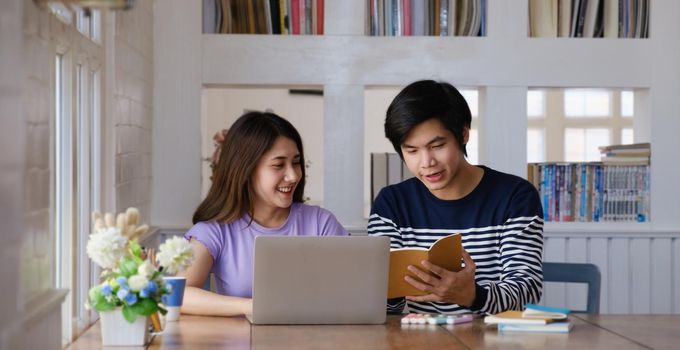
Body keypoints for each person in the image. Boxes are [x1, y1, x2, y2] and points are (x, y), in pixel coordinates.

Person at [368, 80, 544, 315]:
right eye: (412, 151)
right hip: (419, 339)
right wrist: (385, 292)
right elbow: (386, 304)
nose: (426, 162)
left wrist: (473, 296)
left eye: (437, 145)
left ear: (463, 134)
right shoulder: (391, 204)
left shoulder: (515, 196)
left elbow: (528, 289)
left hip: (494, 338)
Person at [180, 111, 348, 316]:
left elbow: (352, 288)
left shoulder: (321, 223)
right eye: (278, 165)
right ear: (246, 170)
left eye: (296, 162)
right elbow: (180, 294)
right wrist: (250, 307)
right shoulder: (215, 231)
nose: (293, 175)